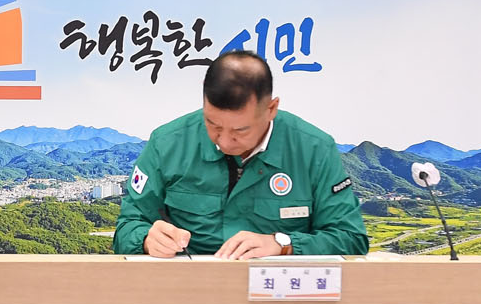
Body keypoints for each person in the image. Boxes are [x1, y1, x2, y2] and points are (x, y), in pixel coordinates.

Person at [114, 51, 367, 259]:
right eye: (212, 124)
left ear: (271, 109)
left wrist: (283, 244)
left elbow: (351, 238)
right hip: (189, 290)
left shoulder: (314, 149)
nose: (224, 141)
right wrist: (146, 238)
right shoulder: (167, 143)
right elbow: (127, 227)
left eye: (240, 130)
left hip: (279, 296)